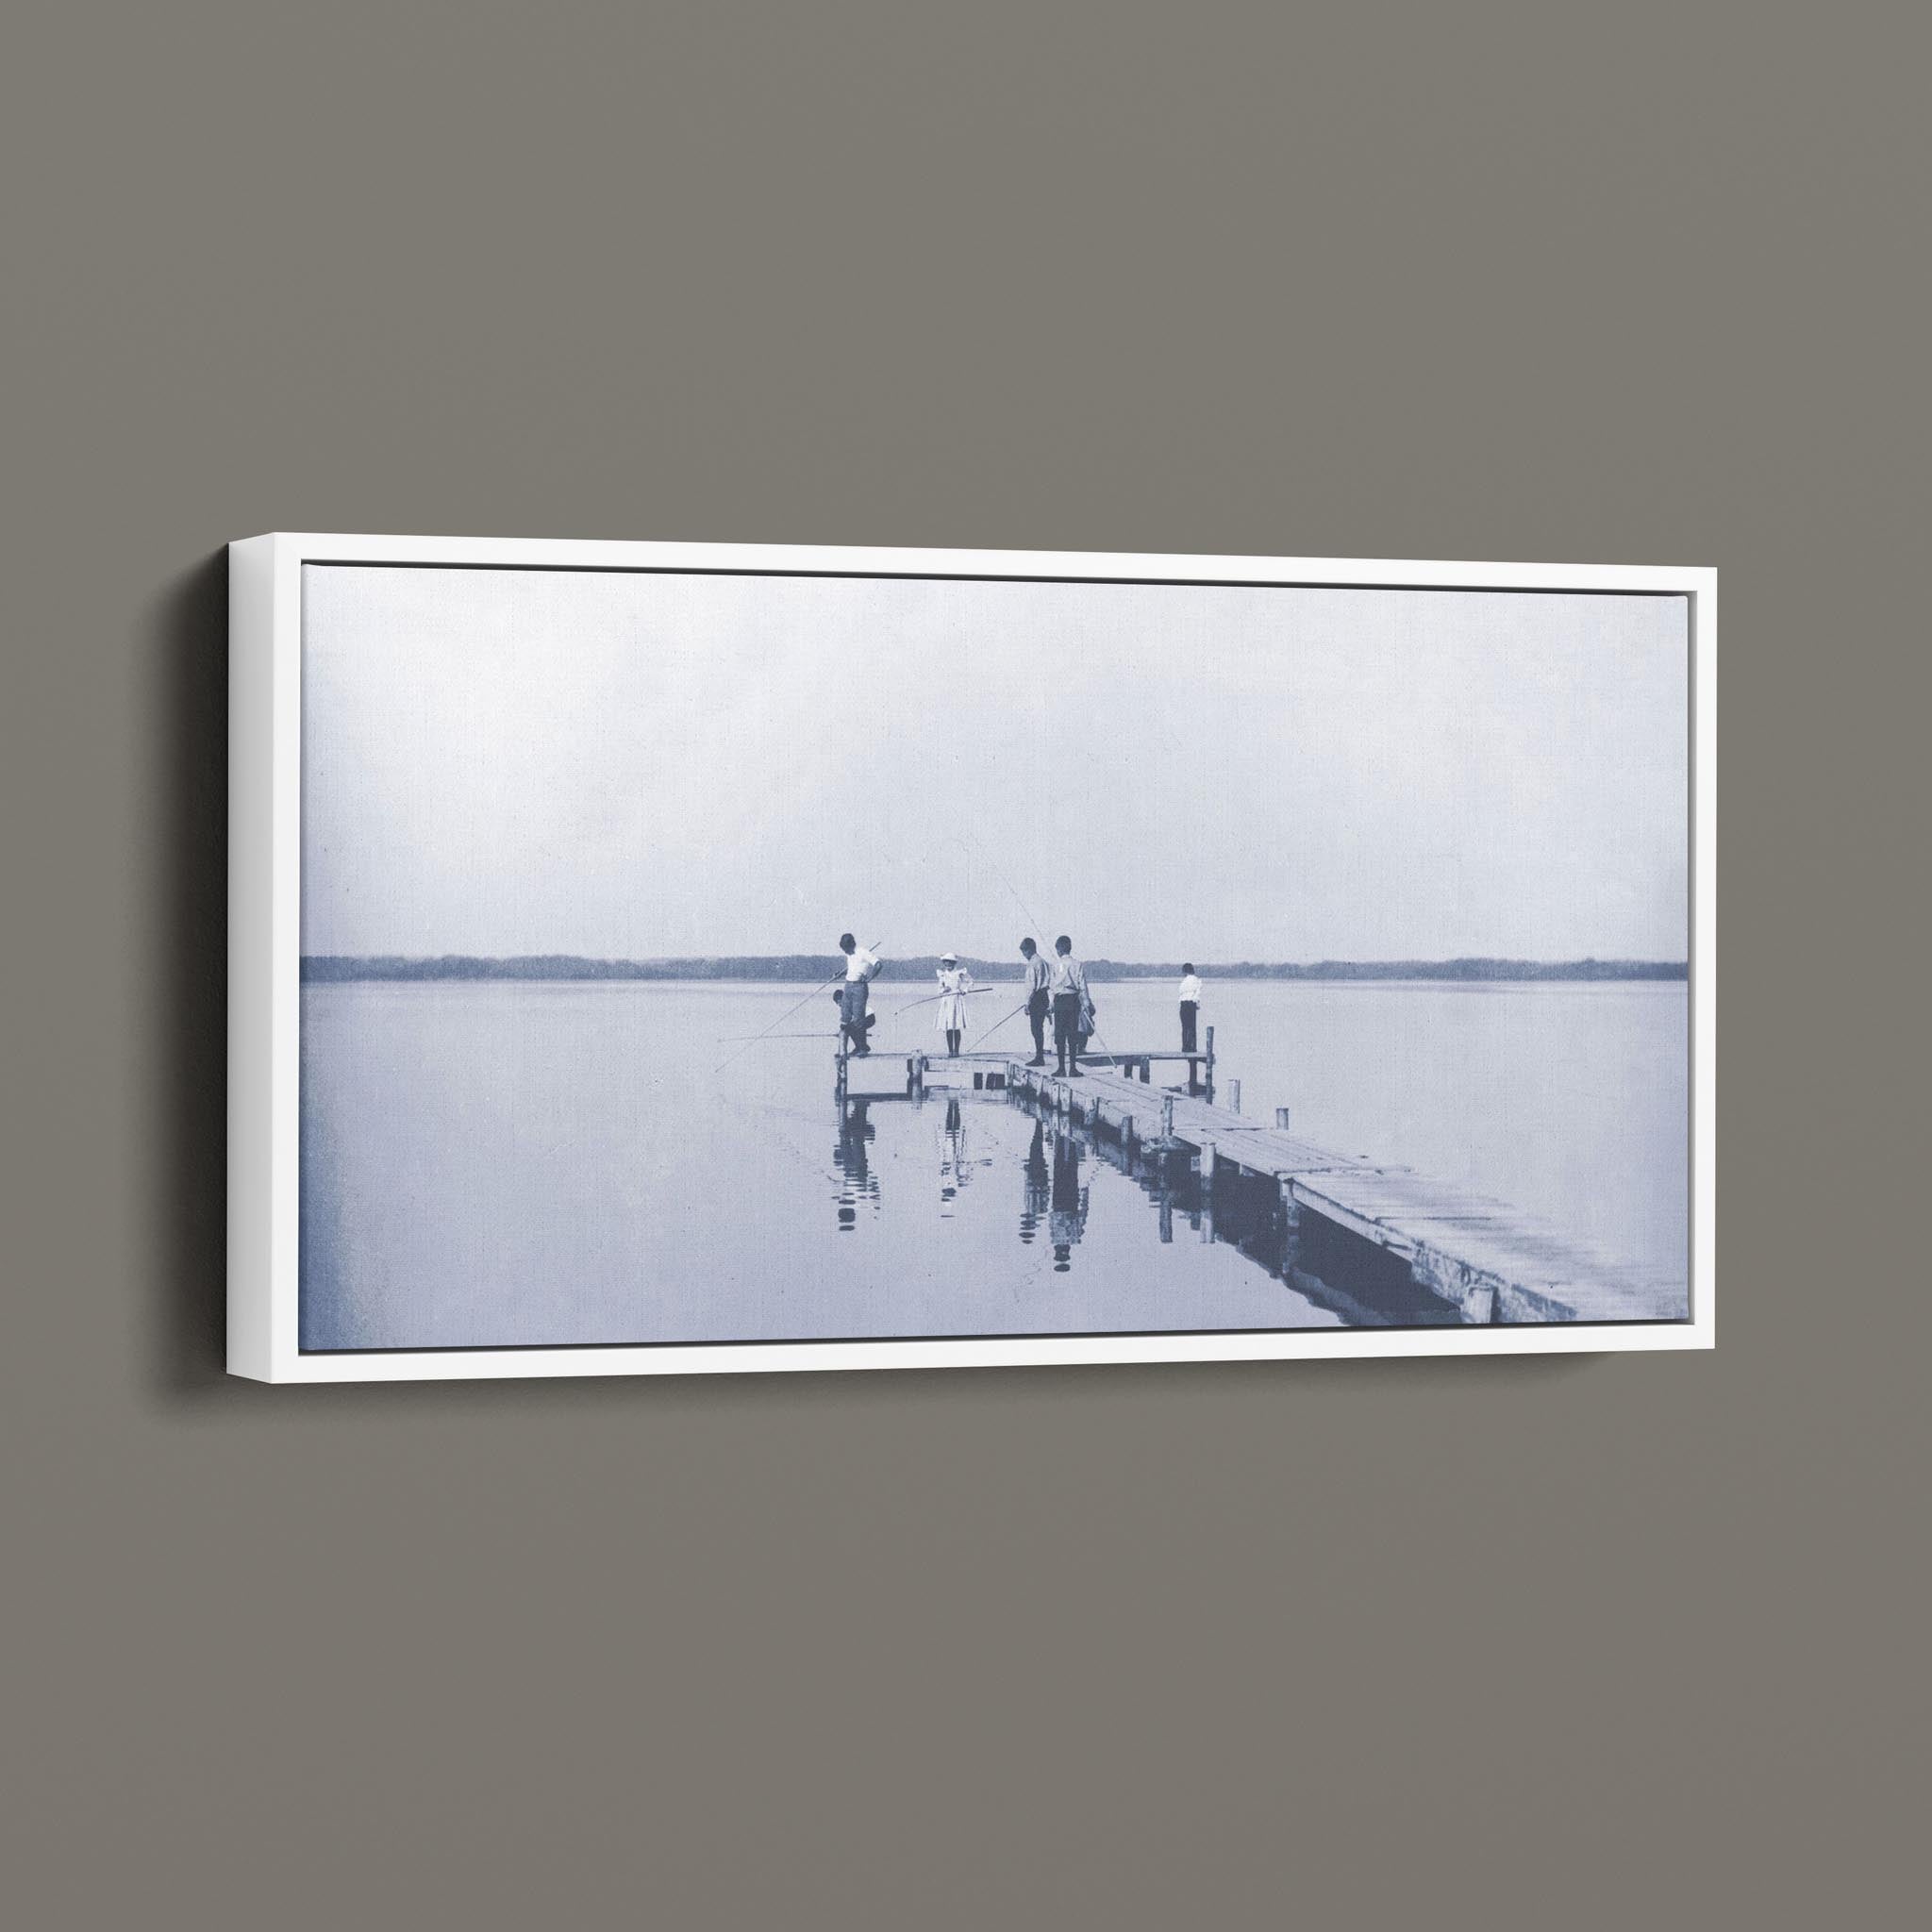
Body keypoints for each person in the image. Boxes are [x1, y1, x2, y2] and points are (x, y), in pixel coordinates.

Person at [1047, 935, 1089, 1076]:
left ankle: (1061, 1068)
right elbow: (1083, 987)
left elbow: (1052, 987)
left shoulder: (1055, 965)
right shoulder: (1077, 964)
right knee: (1072, 1034)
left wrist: (1051, 1003)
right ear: (1070, 948)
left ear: (1059, 949)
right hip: (1073, 1000)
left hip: (1059, 1001)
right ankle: (1072, 1068)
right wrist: (1086, 1004)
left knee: (1059, 1035)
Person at [838, 932, 880, 1056]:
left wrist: (869, 978)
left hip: (859, 987)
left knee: (858, 1018)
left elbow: (878, 965)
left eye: (846, 948)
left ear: (851, 945)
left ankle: (862, 1049)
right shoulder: (849, 955)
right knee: (845, 1018)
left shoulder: (863, 952)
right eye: (843, 948)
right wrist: (840, 974)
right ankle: (846, 1050)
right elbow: (852, 969)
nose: (845, 951)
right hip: (848, 985)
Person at [1019, 938, 1050, 1066]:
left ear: (1030, 950)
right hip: (1044, 995)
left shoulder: (1032, 964)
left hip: (1036, 997)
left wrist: (1027, 1003)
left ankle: (1039, 1057)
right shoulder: (1043, 961)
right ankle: (1039, 1055)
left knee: (1035, 1028)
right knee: (1039, 1027)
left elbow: (1031, 986)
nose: (1024, 955)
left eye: (1024, 952)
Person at [935, 953, 974, 1057]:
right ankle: (950, 1051)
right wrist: (944, 989)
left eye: (950, 963)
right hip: (947, 1001)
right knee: (948, 1027)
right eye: (946, 963)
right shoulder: (942, 975)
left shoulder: (959, 973)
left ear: (954, 963)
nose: (948, 965)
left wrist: (964, 990)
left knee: (956, 1026)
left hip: (956, 1000)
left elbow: (971, 982)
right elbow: (939, 990)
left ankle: (956, 1050)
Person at [1178, 961, 1202, 1054]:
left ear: (1185, 971)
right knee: (1192, 1027)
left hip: (1183, 1004)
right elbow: (1197, 994)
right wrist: (1197, 1004)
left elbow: (1181, 994)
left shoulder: (1184, 982)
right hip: (1191, 1004)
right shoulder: (1197, 980)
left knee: (1185, 1027)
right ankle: (1192, 1047)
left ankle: (1185, 1047)